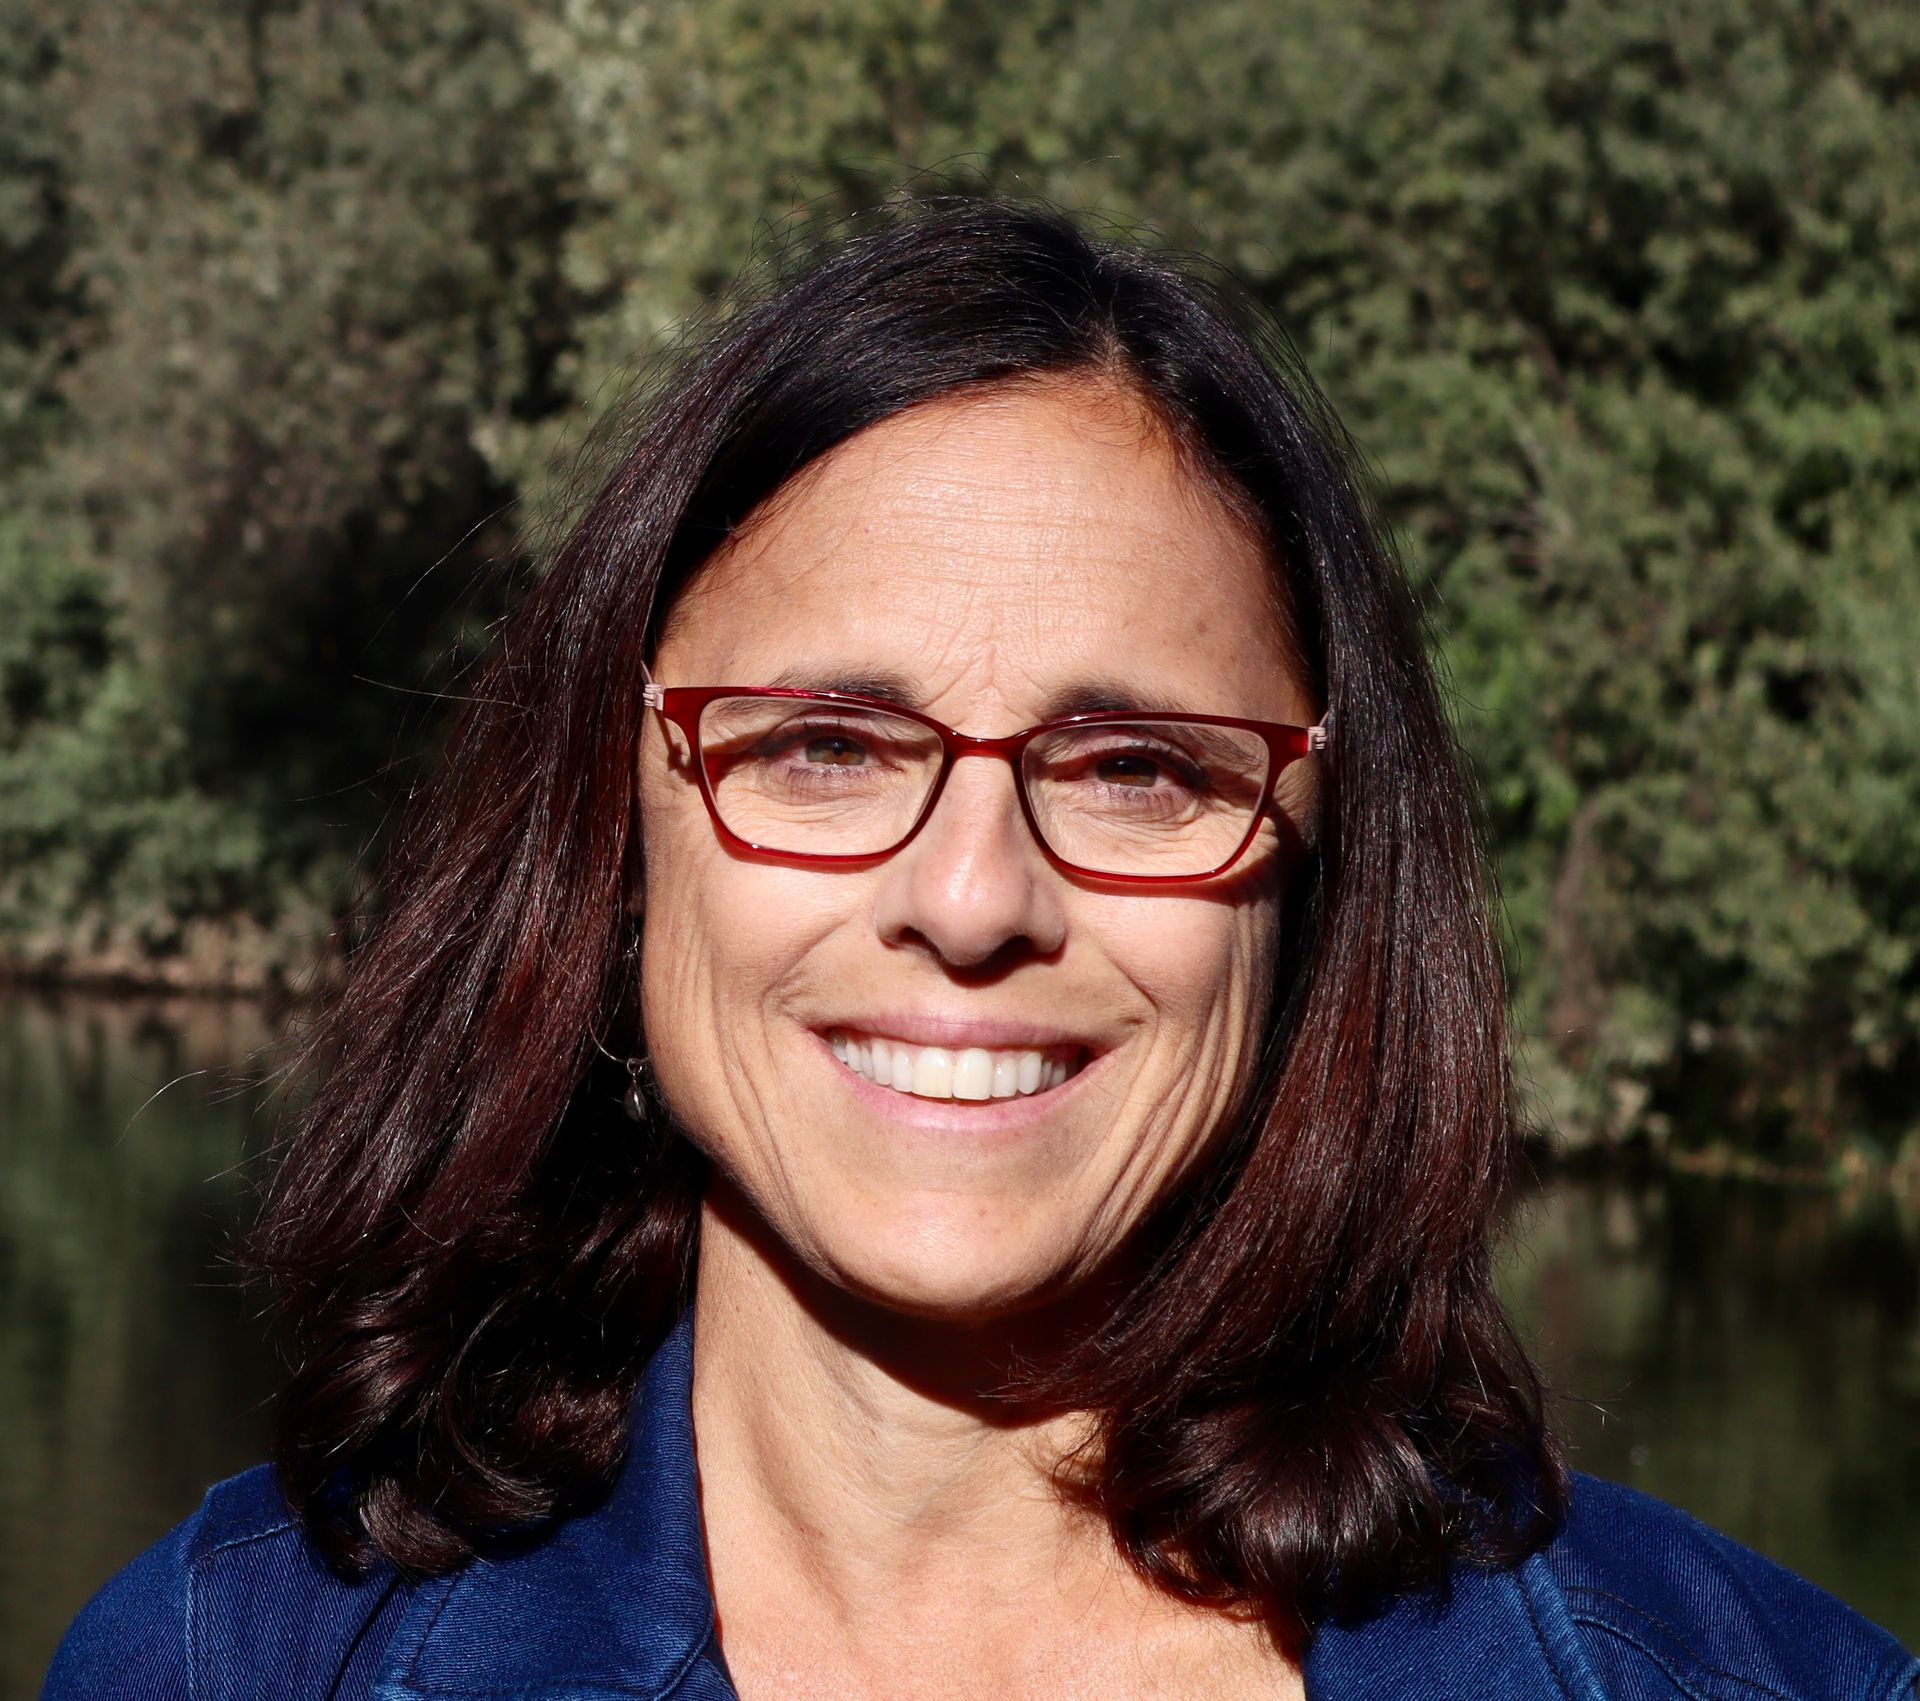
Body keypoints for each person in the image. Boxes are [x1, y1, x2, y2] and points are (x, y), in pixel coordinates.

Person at [43, 200, 1917, 1701]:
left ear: (1310, 867)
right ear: (622, 830)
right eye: (828, 746)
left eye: (1133, 770)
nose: (970, 896)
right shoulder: (233, 1662)